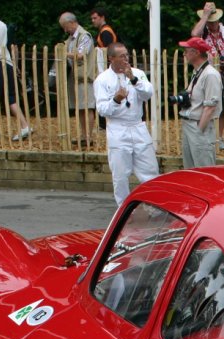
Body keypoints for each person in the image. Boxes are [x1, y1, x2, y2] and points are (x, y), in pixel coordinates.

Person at [94, 41, 158, 206]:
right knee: (121, 175)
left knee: (150, 170)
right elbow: (102, 109)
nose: (126, 59)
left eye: (127, 55)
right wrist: (116, 100)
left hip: (137, 126)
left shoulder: (137, 73)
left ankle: (154, 205)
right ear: (111, 58)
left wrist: (133, 79)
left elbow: (148, 93)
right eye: (122, 56)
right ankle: (123, 208)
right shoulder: (102, 80)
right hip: (118, 128)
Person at [191, 2, 224, 150]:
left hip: (223, 74)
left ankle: (220, 136)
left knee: (220, 105)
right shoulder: (202, 32)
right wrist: (204, 16)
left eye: (214, 20)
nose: (212, 23)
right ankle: (206, 133)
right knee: (205, 104)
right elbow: (194, 35)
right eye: (210, 21)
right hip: (206, 72)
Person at [0, 2, 32, 142]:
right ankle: (22, 126)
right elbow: (11, 45)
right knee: (9, 96)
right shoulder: (2, 24)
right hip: (7, 62)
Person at [177, 36, 221, 168]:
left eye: (187, 50)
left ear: (196, 52)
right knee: (190, 170)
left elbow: (210, 106)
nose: (184, 53)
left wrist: (199, 129)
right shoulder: (197, 72)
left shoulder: (210, 74)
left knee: (204, 169)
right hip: (189, 124)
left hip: (198, 125)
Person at [60, 12, 96, 146]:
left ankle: (88, 136)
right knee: (80, 107)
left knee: (87, 106)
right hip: (75, 77)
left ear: (72, 22)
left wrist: (63, 53)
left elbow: (80, 55)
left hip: (84, 77)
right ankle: (83, 135)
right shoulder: (71, 38)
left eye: (65, 26)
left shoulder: (84, 36)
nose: (65, 30)